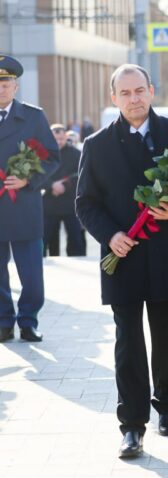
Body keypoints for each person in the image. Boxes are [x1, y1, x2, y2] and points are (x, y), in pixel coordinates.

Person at [75, 64, 168, 458]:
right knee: (128, 342)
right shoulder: (97, 145)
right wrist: (111, 235)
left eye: (140, 90)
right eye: (126, 93)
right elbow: (85, 203)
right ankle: (132, 425)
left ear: (152, 91)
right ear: (113, 98)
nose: (134, 99)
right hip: (123, 258)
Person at [0, 55, 60, 343]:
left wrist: (28, 180)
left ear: (15, 86)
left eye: (6, 82)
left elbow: (51, 157)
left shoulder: (33, 116)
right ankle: (3, 322)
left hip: (24, 205)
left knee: (32, 275)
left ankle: (28, 320)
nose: (1, 88)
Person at [43, 123, 86, 257]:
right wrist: (52, 185)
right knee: (46, 239)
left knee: (75, 239)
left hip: (70, 204)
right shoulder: (42, 154)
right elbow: (37, 175)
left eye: (61, 139)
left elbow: (82, 174)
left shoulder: (76, 153)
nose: (59, 142)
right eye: (55, 139)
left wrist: (64, 186)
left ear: (65, 137)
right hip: (49, 203)